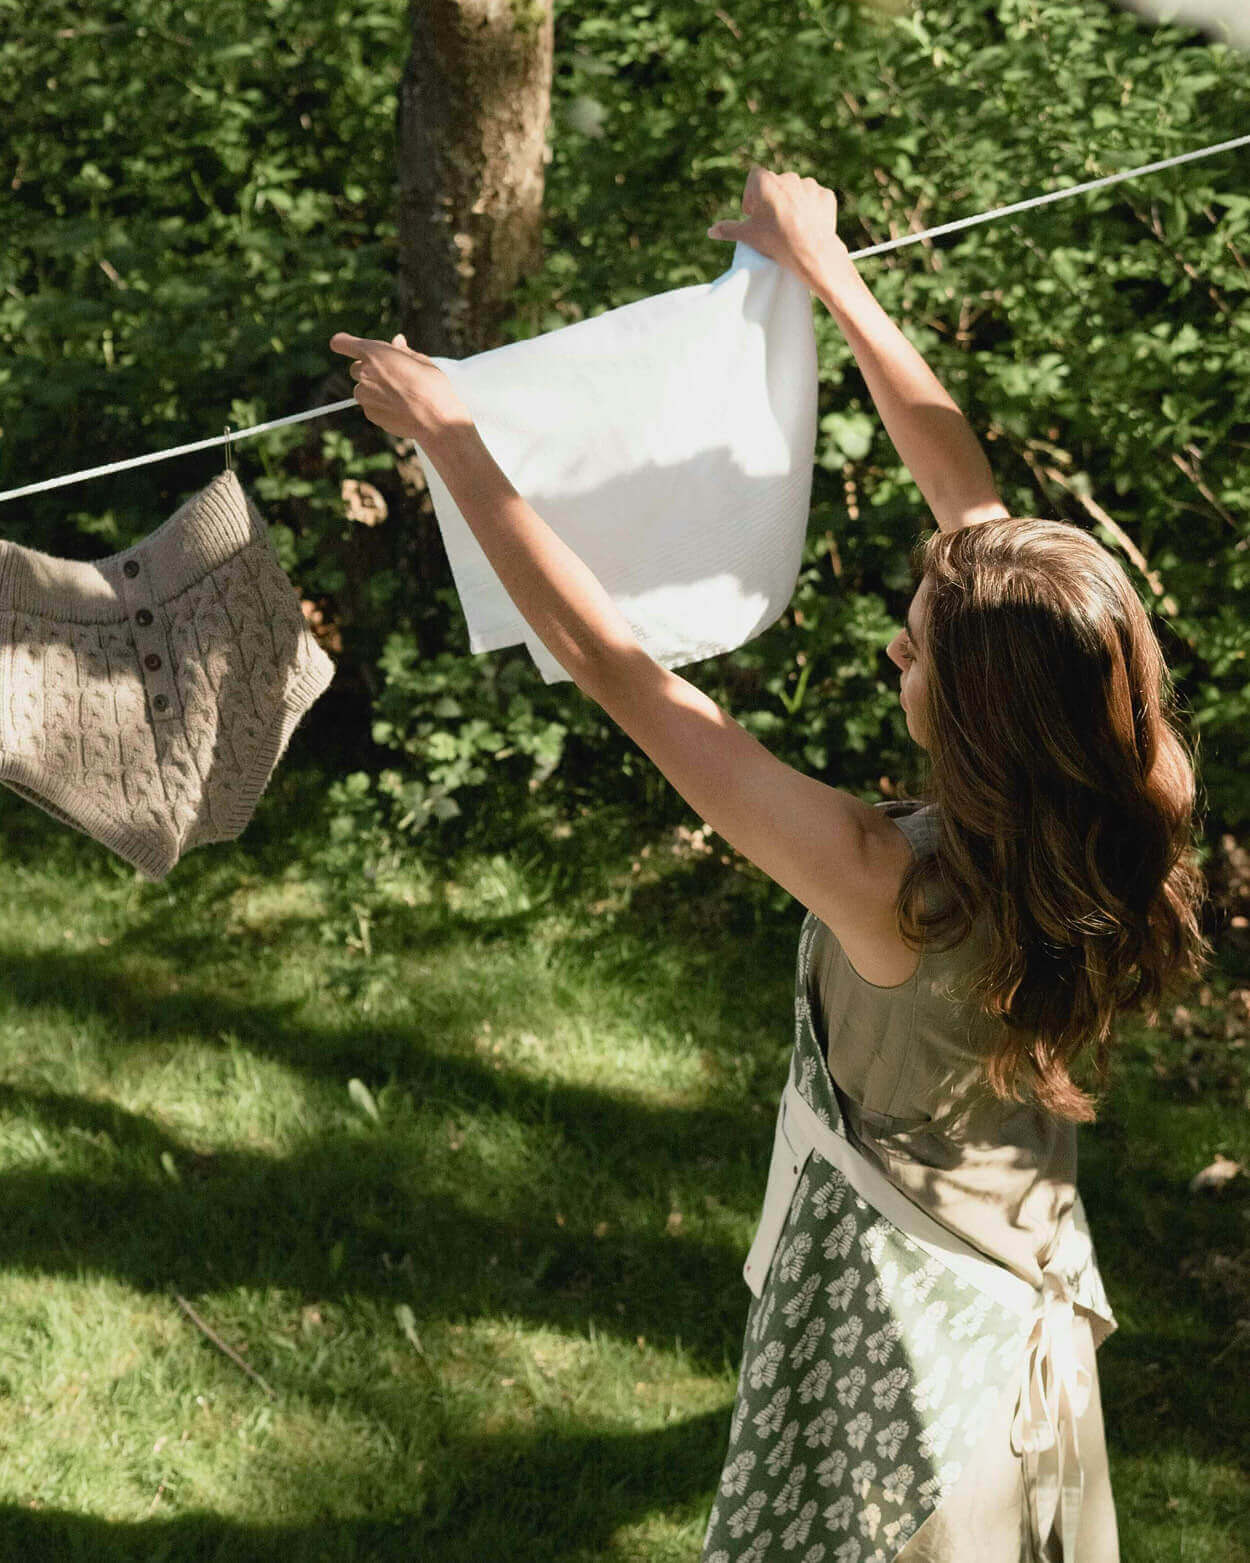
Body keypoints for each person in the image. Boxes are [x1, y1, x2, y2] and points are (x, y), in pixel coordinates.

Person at [331, 164, 1211, 1561]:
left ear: (980, 710)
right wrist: (830, 268)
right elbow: (963, 494)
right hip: (1019, 1273)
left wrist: (457, 442)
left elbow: (622, 674)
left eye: (915, 648)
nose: (894, 649)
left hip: (918, 1347)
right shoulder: (1124, 774)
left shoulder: (889, 883)